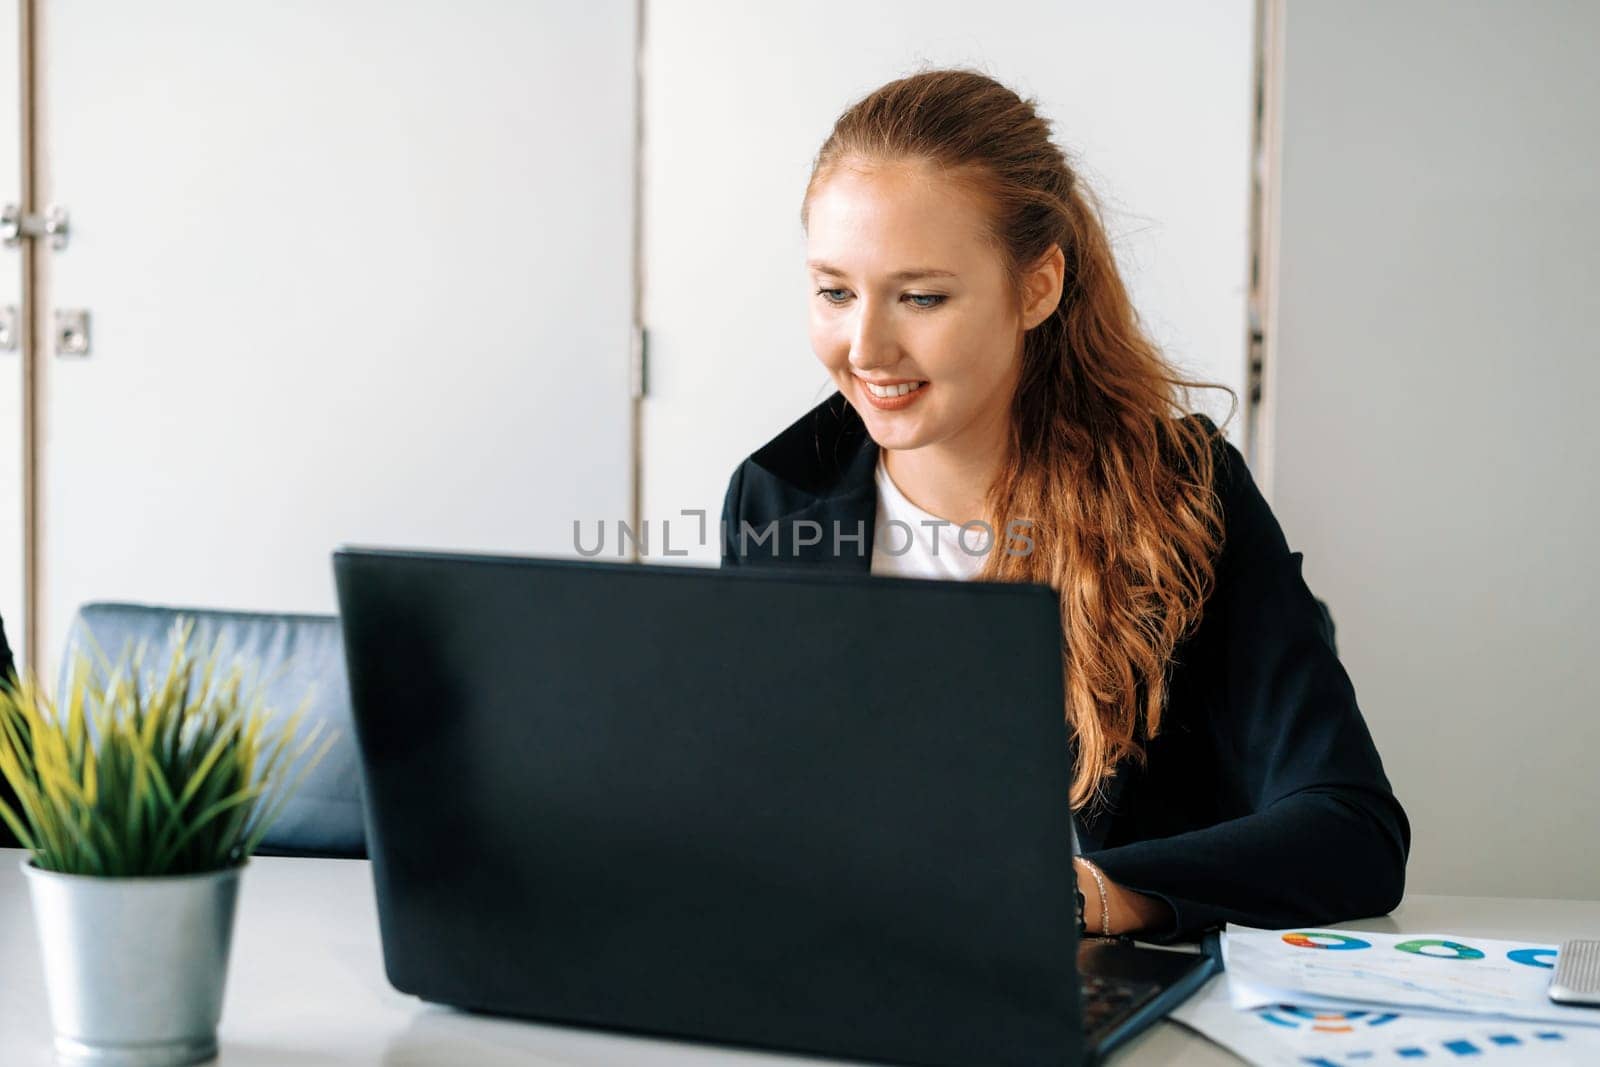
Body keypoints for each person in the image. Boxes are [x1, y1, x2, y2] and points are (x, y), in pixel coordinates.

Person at [720, 69, 1408, 941]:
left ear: (1037, 287)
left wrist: (1085, 893)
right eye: (834, 291)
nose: (865, 347)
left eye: (921, 296)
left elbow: (1353, 833)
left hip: (1099, 987)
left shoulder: (1184, 491)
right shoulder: (776, 495)